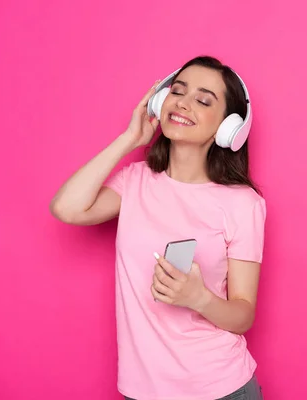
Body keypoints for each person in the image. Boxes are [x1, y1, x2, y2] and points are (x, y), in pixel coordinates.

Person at [50, 56, 266, 400]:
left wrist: (199, 299)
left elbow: (242, 315)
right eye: (177, 92)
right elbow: (67, 208)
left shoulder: (243, 203)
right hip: (142, 390)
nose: (183, 102)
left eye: (203, 99)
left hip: (220, 388)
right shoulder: (134, 182)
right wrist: (129, 139)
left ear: (228, 128)